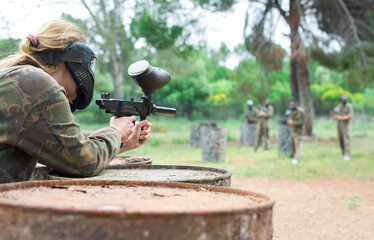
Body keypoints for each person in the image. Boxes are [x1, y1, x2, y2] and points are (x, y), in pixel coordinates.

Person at [0, 20, 151, 183]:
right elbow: (84, 162)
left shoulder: (16, 78)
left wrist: (121, 142)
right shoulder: (36, 83)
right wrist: (115, 132)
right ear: (73, 60)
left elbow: (62, 144)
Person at [333, 95, 353, 161]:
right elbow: (334, 117)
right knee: (340, 140)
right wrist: (336, 117)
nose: (344, 100)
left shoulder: (349, 106)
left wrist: (340, 117)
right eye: (343, 99)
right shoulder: (338, 107)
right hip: (339, 126)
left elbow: (350, 116)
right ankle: (343, 153)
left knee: (346, 140)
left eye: (345, 99)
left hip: (346, 126)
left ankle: (347, 154)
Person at [287, 98, 304, 164]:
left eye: (293, 104)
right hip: (293, 131)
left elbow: (300, 122)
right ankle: (294, 155)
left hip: (299, 132)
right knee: (293, 145)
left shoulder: (300, 111)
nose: (292, 105)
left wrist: (293, 122)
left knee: (298, 146)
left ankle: (297, 158)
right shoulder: (291, 111)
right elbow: (289, 119)